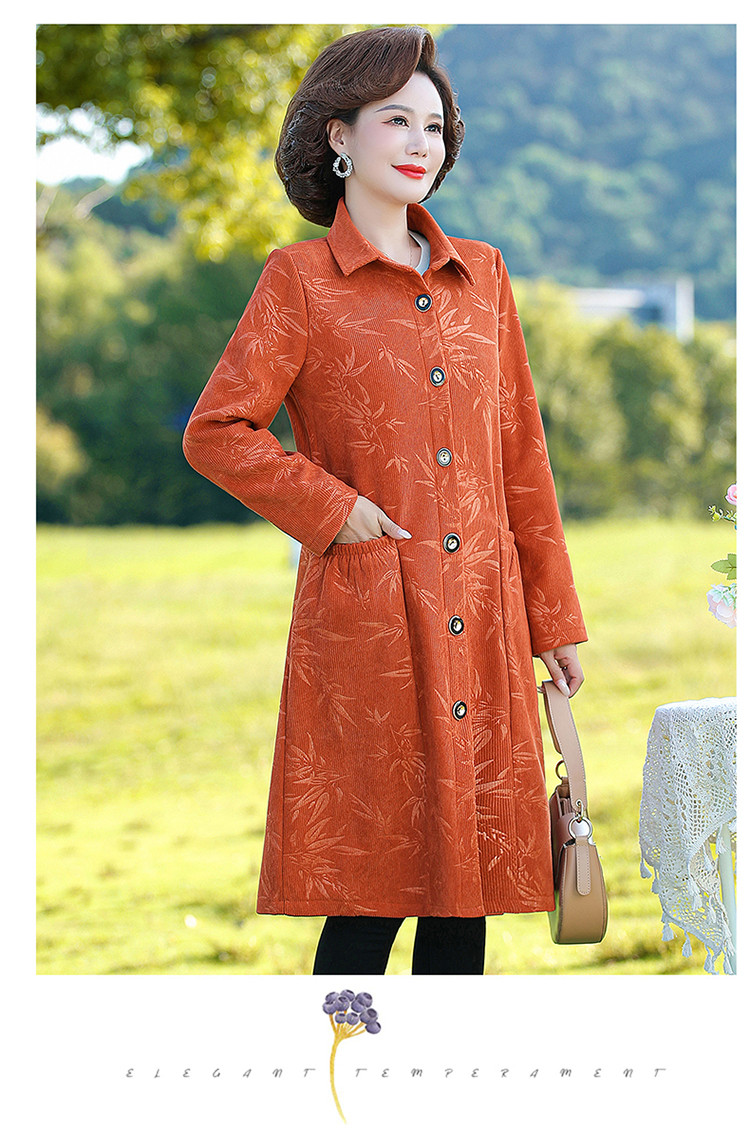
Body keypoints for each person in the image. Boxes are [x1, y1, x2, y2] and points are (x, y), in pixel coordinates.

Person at [182, 25, 587, 976]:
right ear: (340, 134)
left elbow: (522, 459)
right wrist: (334, 511)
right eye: (396, 120)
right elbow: (217, 430)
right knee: (369, 901)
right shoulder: (298, 282)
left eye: (434, 127)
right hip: (370, 626)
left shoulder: (482, 277)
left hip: (482, 620)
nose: (419, 144)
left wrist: (553, 620)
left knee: (465, 904)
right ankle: (340, 1061)